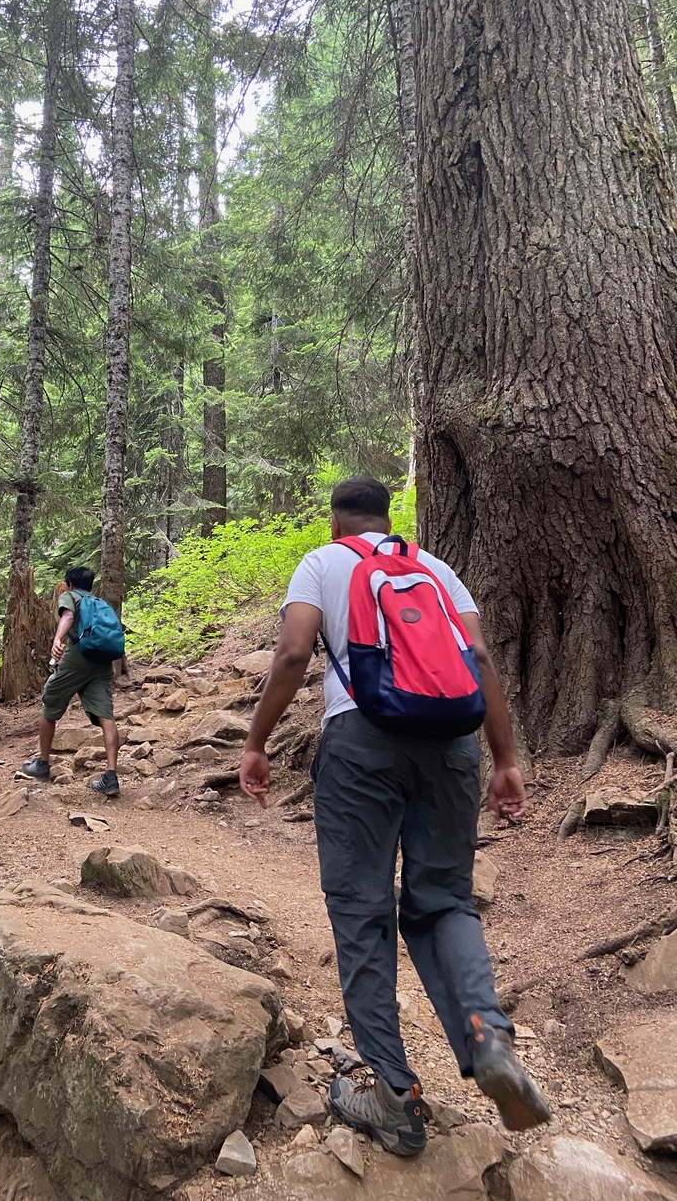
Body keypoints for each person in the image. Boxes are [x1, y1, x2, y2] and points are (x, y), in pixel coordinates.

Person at [239, 476, 550, 1158]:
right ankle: (487, 1034)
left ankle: (396, 1097)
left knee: (361, 908)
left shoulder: (324, 564)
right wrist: (504, 758)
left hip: (360, 745)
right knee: (443, 900)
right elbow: (482, 660)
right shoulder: (434, 568)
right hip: (451, 748)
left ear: (334, 522)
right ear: (387, 518)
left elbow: (294, 653)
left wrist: (257, 742)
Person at [21, 567, 121, 797]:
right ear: (91, 584)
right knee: (106, 716)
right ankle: (111, 776)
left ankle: (42, 764)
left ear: (68, 584)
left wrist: (57, 638)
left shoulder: (70, 596)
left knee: (50, 702)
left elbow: (67, 616)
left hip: (78, 658)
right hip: (103, 662)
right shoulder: (100, 603)